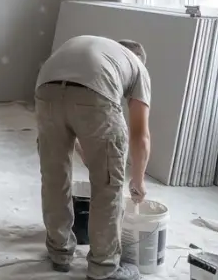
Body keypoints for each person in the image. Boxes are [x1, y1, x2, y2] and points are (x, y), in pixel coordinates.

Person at [35, 35, 152, 280]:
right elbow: (140, 135)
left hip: (46, 89)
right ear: (138, 58)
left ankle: (59, 252)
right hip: (95, 95)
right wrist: (138, 181)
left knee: (54, 177)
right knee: (107, 187)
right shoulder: (137, 67)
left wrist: (91, 153)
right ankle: (104, 268)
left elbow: (69, 113)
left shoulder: (99, 49)